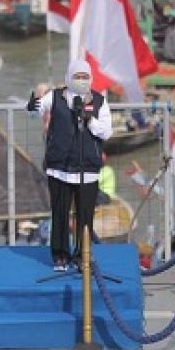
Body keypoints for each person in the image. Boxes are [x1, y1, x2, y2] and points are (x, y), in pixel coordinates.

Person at [26, 58, 113, 270]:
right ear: (69, 77)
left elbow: (107, 131)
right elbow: (34, 111)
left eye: (85, 77)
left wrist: (88, 119)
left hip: (88, 169)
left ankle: (82, 256)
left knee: (85, 215)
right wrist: (34, 98)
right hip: (59, 168)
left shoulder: (99, 101)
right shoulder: (55, 97)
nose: (81, 81)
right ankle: (60, 256)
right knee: (60, 212)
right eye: (77, 77)